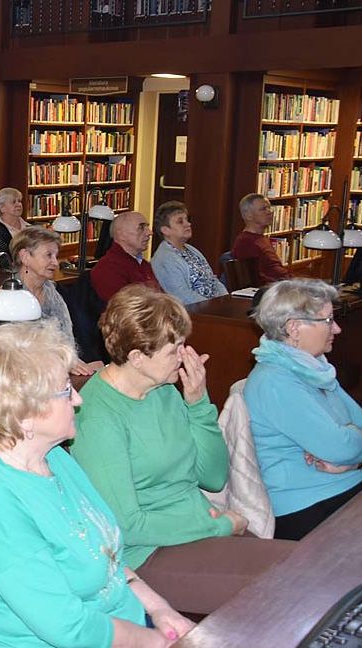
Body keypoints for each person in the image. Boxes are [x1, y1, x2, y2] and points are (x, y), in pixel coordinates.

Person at [0, 322, 197, 648]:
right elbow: (69, 628)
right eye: (66, 390)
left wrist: (161, 610)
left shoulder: (54, 456)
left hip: (125, 627)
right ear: (22, 414)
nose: (78, 399)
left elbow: (109, 560)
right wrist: (157, 642)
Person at [70, 285, 294, 614]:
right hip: (145, 554)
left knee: (304, 568)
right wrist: (217, 526)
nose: (184, 355)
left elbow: (213, 477)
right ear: (136, 358)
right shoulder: (100, 418)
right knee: (287, 588)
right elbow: (127, 526)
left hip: (195, 527)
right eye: (173, 349)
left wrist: (198, 402)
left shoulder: (162, 390)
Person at [246, 278, 362, 540]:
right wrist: (348, 446)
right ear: (294, 328)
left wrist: (351, 460)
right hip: (306, 505)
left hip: (340, 487)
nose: (338, 329)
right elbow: (340, 447)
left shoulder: (315, 368)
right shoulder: (275, 381)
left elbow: (351, 439)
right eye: (329, 320)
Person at [10, 226, 102, 375]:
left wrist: (89, 360)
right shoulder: (9, 297)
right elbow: (15, 352)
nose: (55, 263)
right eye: (48, 255)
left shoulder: (57, 293)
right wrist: (62, 361)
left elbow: (76, 336)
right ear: (25, 256)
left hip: (60, 371)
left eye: (55, 256)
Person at [151, 201, 228, 304]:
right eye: (180, 221)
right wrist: (214, 307)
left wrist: (225, 300)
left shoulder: (191, 250)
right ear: (165, 230)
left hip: (212, 308)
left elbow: (212, 279)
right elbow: (182, 296)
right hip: (192, 314)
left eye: (187, 220)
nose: (188, 224)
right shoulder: (164, 259)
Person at [90, 211, 162, 302]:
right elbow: (124, 310)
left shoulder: (143, 264)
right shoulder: (108, 268)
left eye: (147, 227)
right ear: (121, 234)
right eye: (141, 227)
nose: (150, 232)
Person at [231, 192, 291, 286]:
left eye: (269, 208)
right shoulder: (246, 242)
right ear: (248, 216)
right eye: (263, 209)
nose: (269, 212)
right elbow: (253, 279)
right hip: (273, 290)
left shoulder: (261, 238)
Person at [0, 187, 28, 259]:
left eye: (19, 201)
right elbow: (4, 261)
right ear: (1, 207)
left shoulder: (30, 227)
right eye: (13, 202)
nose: (18, 204)